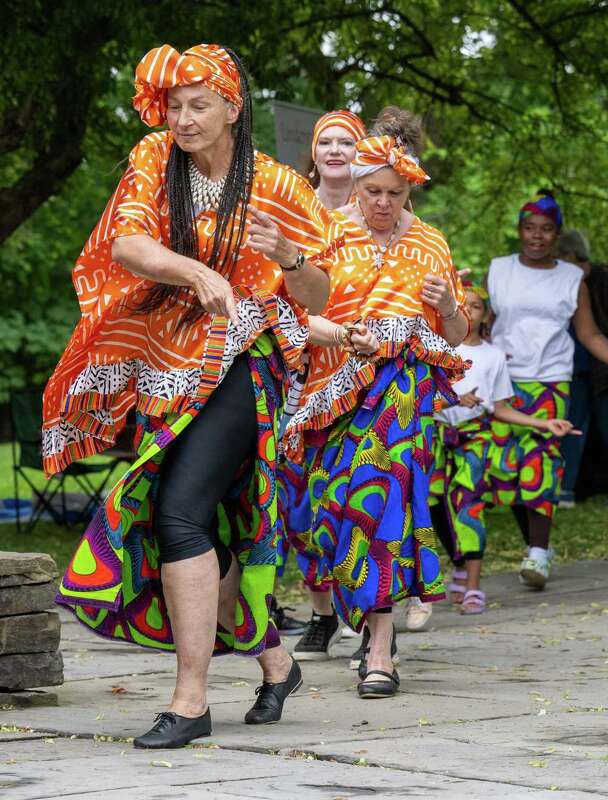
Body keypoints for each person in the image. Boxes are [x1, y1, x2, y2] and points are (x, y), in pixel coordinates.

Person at [47, 43, 335, 749]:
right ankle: (273, 659)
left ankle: (190, 700)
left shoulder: (275, 185)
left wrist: (288, 258)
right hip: (169, 364)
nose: (182, 117)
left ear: (233, 107)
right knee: (195, 523)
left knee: (176, 511)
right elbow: (126, 245)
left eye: (198, 104)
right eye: (174, 105)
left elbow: (320, 293)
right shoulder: (154, 160)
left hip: (246, 361)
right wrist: (193, 274)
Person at [285, 108, 469, 699]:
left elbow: (459, 333)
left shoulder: (432, 242)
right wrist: (343, 335)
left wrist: (446, 306)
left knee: (381, 499)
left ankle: (381, 650)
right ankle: (361, 616)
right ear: (356, 187)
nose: (382, 203)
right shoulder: (328, 235)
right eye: (372, 192)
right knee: (329, 511)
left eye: (393, 192)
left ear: (408, 189)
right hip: (335, 389)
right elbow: (294, 318)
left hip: (402, 389)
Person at [486, 191, 608, 589]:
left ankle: (537, 552)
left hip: (551, 380)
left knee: (541, 464)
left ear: (557, 235)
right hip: (504, 379)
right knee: (506, 469)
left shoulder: (572, 279)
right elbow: (482, 324)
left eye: (546, 230)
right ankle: (537, 545)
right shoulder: (498, 269)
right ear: (519, 230)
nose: (537, 236)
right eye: (529, 228)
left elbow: (590, 335)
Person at [429, 285, 577, 614]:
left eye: (477, 306)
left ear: (487, 316)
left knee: (469, 505)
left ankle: (473, 588)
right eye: (461, 304)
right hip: (438, 437)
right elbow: (421, 397)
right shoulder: (435, 349)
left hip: (475, 440)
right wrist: (450, 398)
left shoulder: (493, 356)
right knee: (434, 504)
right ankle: (459, 562)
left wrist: (544, 424)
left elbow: (501, 408)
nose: (469, 310)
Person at [282, 109, 368, 662]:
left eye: (346, 143)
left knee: (359, 497)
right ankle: (321, 613)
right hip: (297, 370)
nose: (335, 151)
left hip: (364, 373)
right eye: (326, 142)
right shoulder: (293, 212)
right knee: (297, 499)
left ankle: (371, 616)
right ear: (313, 153)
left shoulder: (380, 211)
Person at [554, 229, 608, 507]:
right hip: (576, 368)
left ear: (570, 254)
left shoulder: (602, 278)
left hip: (605, 369)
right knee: (573, 430)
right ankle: (565, 490)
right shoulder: (562, 282)